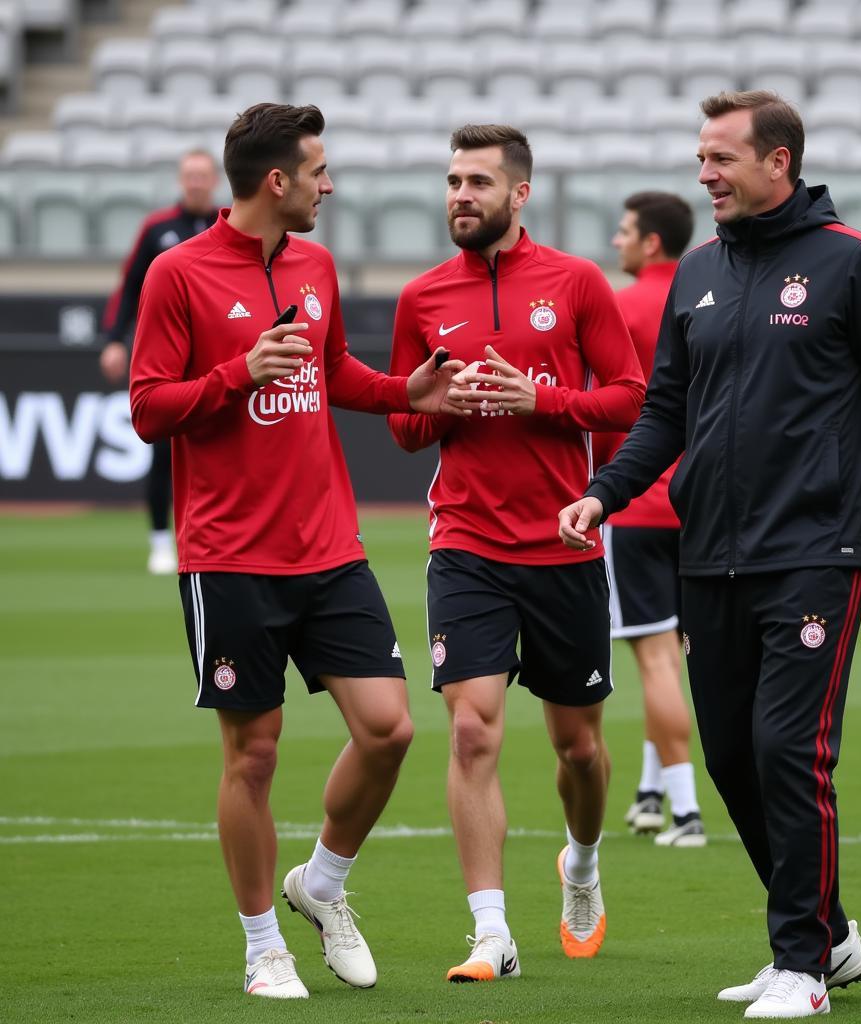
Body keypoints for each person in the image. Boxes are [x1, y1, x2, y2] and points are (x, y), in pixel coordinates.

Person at [559, 91, 861, 1019]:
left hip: (817, 549)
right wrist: (605, 493)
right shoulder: (695, 274)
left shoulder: (854, 262)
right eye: (700, 157)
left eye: (721, 159)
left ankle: (801, 970)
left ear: (779, 164)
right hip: (709, 553)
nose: (704, 175)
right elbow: (665, 414)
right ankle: (829, 938)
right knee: (728, 753)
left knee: (787, 749)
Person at [129, 103, 462, 1000]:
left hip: (329, 548)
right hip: (229, 555)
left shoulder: (313, 262)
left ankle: (321, 886)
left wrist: (408, 389)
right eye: (319, 170)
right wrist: (238, 375)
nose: (330, 183)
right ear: (277, 181)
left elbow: (336, 367)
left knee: (390, 729)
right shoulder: (177, 274)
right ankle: (260, 945)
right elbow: (148, 407)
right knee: (255, 756)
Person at [387, 124, 645, 983]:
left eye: (478, 182)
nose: (461, 194)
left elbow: (632, 401)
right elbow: (405, 427)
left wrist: (542, 398)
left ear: (519, 194)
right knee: (469, 730)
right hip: (465, 543)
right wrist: (443, 401)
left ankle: (581, 863)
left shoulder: (575, 284)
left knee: (578, 748)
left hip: (565, 544)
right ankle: (490, 931)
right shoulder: (421, 296)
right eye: (454, 180)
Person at [602, 191, 705, 848]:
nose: (616, 242)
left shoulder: (624, 304)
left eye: (623, 231)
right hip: (698, 500)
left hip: (637, 499)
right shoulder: (706, 292)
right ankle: (650, 794)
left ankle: (688, 811)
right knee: (672, 650)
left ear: (650, 242)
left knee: (656, 660)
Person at [99, 150, 220, 574]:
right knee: (163, 453)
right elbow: (129, 287)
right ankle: (159, 541)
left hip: (217, 358)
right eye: (190, 175)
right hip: (173, 359)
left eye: (203, 175)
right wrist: (115, 339)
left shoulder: (227, 225)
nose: (196, 182)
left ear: (215, 179)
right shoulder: (158, 229)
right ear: (180, 179)